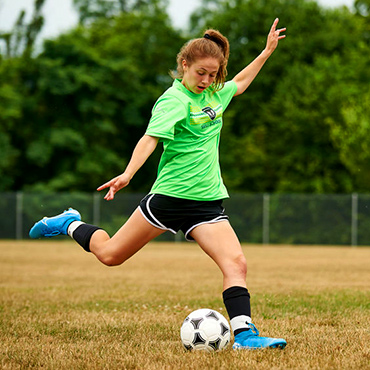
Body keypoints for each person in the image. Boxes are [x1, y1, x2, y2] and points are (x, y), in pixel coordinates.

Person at [29, 18, 287, 350]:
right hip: (168, 199)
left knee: (236, 263)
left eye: (213, 74)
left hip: (206, 203)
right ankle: (70, 223)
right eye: (201, 73)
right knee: (110, 255)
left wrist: (266, 52)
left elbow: (239, 82)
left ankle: (246, 336)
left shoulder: (214, 95)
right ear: (184, 65)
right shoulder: (173, 100)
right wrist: (128, 174)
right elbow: (150, 139)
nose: (207, 80)